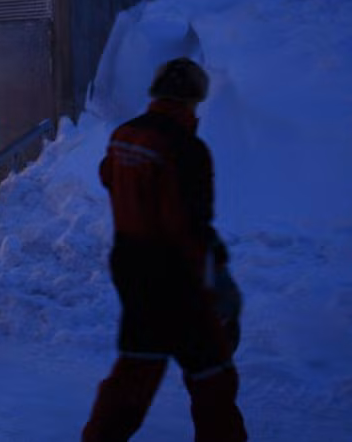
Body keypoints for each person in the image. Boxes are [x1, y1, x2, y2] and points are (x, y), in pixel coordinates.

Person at [82, 57, 248, 441]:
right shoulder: (186, 148)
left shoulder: (124, 136)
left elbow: (107, 175)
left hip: (132, 268)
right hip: (176, 278)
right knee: (212, 378)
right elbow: (190, 229)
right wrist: (220, 289)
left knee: (134, 373)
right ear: (195, 96)